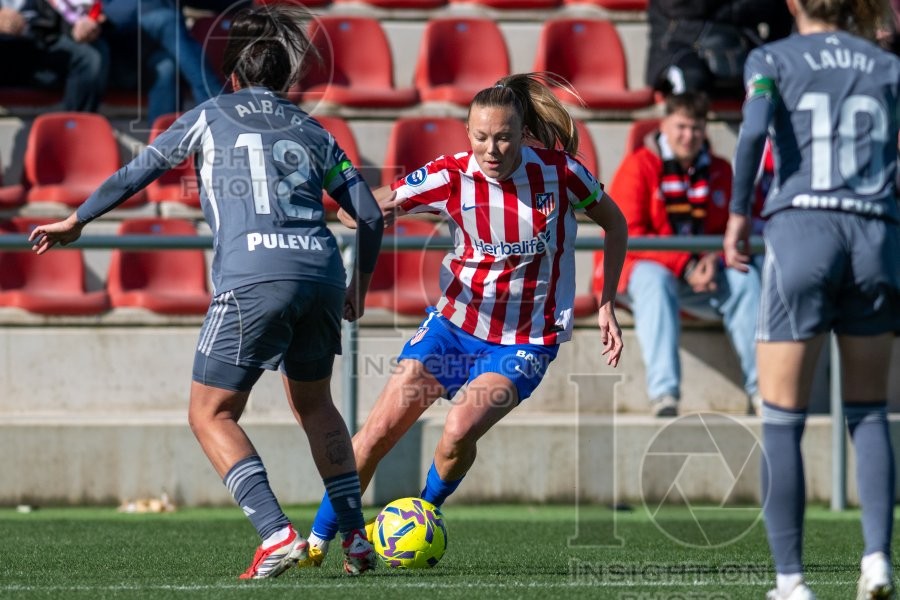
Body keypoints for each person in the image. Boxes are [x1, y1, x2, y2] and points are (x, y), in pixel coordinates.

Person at [27, 5, 383, 579]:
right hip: (321, 275)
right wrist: (359, 289)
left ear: (234, 78)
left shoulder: (210, 113)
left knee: (210, 412)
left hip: (253, 277)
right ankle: (357, 541)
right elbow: (368, 215)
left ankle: (275, 533)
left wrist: (78, 220)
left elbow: (135, 173)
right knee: (317, 406)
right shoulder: (316, 130)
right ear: (284, 81)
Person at [298, 71, 629, 567]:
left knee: (457, 430)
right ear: (467, 134)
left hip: (525, 340)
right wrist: (363, 211)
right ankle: (320, 543)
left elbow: (615, 222)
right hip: (452, 327)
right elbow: (359, 212)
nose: (491, 149)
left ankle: (424, 516)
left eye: (502, 137)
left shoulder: (560, 173)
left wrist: (605, 300)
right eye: (480, 137)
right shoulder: (451, 173)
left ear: (522, 133)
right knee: (376, 434)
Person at [724, 0, 900, 597]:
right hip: (876, 232)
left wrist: (737, 214)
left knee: (781, 419)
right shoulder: (885, 63)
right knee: (870, 410)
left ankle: (792, 582)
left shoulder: (769, 57)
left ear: (794, 2)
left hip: (803, 230)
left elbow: (752, 132)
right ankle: (877, 558)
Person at [599, 91, 761, 417]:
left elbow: (728, 229)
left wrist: (712, 261)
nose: (689, 136)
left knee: (746, 278)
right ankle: (665, 395)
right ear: (664, 124)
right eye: (682, 126)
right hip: (638, 272)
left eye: (697, 128)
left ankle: (764, 392)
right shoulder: (639, 166)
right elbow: (630, 237)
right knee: (655, 281)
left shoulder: (720, 170)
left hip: (699, 274)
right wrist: (686, 265)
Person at [102, 0, 223, 124]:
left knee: (167, 68)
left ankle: (163, 139)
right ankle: (218, 108)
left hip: (157, 52)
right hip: (119, 50)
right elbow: (105, 11)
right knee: (166, 20)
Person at [646, 0, 792, 101]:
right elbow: (682, 8)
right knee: (691, 79)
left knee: (779, 75)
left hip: (739, 48)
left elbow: (776, 14)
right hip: (679, 47)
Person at [0, 0, 108, 111]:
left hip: (41, 40)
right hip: (5, 49)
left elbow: (65, 14)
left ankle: (75, 125)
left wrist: (81, 28)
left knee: (88, 56)